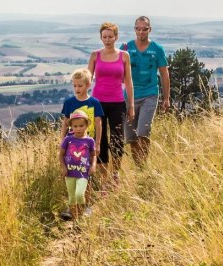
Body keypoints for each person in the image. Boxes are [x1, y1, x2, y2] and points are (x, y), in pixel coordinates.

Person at [88, 22, 134, 187]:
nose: (107, 40)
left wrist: (132, 105)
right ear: (101, 37)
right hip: (97, 103)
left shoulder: (124, 56)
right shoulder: (95, 55)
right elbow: (87, 80)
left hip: (118, 102)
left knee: (117, 139)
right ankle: (103, 177)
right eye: (104, 37)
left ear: (116, 37)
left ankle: (115, 174)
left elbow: (128, 81)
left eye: (110, 36)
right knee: (100, 140)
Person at [121, 16, 170, 166]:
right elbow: (118, 69)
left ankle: (144, 164)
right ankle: (139, 167)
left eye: (144, 29)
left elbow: (164, 74)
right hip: (129, 96)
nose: (141, 32)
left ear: (150, 29)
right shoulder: (127, 47)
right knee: (131, 137)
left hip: (150, 94)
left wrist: (166, 98)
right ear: (134, 29)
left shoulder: (157, 49)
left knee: (143, 131)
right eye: (138, 28)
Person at [59, 68, 103, 218]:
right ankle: (71, 207)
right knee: (71, 175)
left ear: (88, 85)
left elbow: (98, 124)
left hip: (88, 146)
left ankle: (87, 205)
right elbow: (65, 123)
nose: (77, 89)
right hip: (71, 146)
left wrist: (97, 144)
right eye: (75, 86)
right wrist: (61, 141)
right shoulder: (69, 103)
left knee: (87, 176)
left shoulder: (94, 103)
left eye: (80, 86)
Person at [59, 110, 96, 221]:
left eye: (81, 125)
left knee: (79, 194)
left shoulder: (89, 141)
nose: (78, 128)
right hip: (69, 173)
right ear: (71, 127)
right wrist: (63, 167)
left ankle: (82, 212)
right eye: (75, 126)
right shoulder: (68, 140)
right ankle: (76, 219)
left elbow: (94, 155)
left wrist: (93, 165)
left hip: (83, 173)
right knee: (72, 197)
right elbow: (61, 155)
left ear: (87, 125)